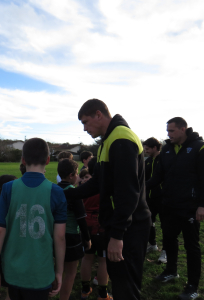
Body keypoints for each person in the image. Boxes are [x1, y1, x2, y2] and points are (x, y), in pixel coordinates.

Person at [64, 99, 151, 300]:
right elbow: (98, 184)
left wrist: (117, 235)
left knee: (126, 287)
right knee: (120, 282)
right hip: (121, 224)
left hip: (130, 226)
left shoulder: (120, 138)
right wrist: (66, 194)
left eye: (85, 122)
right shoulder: (108, 139)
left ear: (98, 114)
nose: (85, 128)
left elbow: (128, 192)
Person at [0, 138, 67, 300]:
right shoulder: (56, 192)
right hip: (41, 272)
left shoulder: (8, 188)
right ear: (47, 160)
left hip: (13, 271)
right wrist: (59, 272)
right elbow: (60, 237)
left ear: (23, 160)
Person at [146, 117, 204, 300]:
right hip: (169, 205)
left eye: (171, 131)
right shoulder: (167, 150)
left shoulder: (199, 148)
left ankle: (193, 286)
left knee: (191, 246)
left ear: (183, 129)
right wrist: (139, 187)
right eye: (167, 131)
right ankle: (171, 271)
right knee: (169, 240)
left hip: (190, 207)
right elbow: (157, 178)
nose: (168, 135)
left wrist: (202, 205)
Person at [57, 158, 91, 300]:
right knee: (71, 272)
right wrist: (87, 238)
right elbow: (81, 218)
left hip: (55, 235)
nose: (78, 176)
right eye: (77, 173)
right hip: (71, 236)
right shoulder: (73, 192)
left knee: (58, 269)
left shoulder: (54, 189)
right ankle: (64, 297)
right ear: (71, 175)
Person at [79, 157, 112, 300]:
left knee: (87, 259)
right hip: (101, 228)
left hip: (85, 227)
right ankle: (103, 294)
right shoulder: (103, 186)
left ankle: (85, 290)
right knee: (103, 260)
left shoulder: (82, 188)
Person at [0, 174, 18, 300]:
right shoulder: (8, 206)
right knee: (12, 286)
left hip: (7, 249)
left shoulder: (0, 203)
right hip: (9, 249)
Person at [143, 138, 167, 263]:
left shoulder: (164, 160)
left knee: (165, 225)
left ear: (155, 148)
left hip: (162, 199)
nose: (145, 151)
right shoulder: (147, 162)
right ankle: (152, 244)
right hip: (149, 198)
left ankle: (166, 251)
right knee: (149, 222)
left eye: (147, 149)